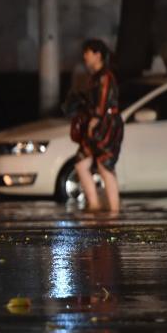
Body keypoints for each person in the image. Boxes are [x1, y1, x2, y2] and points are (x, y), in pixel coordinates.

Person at [73, 39, 123, 215]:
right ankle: (95, 205)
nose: (85, 56)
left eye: (88, 52)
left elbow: (103, 100)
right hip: (97, 124)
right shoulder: (94, 78)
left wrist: (96, 117)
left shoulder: (105, 76)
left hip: (106, 126)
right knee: (81, 164)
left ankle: (114, 211)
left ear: (98, 54)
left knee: (105, 165)